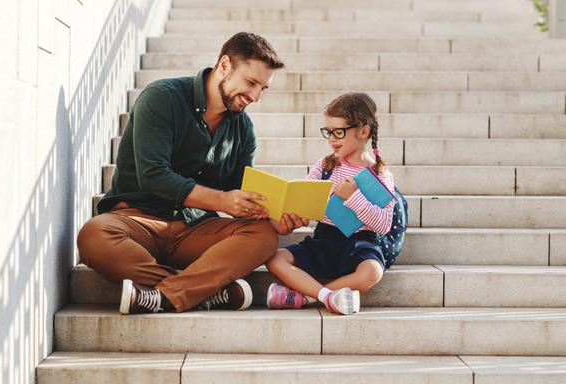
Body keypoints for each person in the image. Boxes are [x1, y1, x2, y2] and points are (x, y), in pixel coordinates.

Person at [77, 32, 309, 314]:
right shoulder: (162, 98)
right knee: (93, 235)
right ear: (225, 65)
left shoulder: (243, 129)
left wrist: (275, 218)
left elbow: (240, 194)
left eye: (263, 88)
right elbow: (153, 176)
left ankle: (163, 296)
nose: (255, 96)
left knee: (262, 236)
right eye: (251, 83)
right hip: (138, 220)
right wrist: (222, 201)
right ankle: (207, 293)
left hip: (195, 230)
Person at [265, 92, 396, 315]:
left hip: (359, 244)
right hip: (325, 238)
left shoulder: (379, 174)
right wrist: (297, 209)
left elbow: (383, 224)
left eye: (339, 132)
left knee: (373, 272)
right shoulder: (326, 165)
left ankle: (306, 297)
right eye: (328, 132)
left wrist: (353, 197)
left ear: (363, 131)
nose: (332, 139)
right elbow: (305, 191)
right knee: (275, 258)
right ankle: (327, 296)